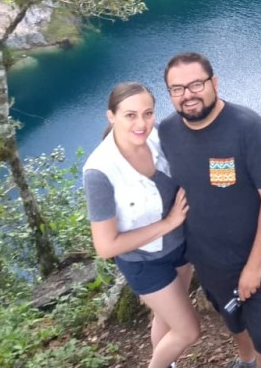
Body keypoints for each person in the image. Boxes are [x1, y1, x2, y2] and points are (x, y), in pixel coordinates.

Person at [157, 52, 261, 368]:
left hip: (259, 257)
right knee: (232, 318)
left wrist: (254, 266)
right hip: (208, 257)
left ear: (214, 83)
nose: (188, 95)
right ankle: (245, 362)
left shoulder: (248, 128)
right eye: (177, 89)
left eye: (195, 84)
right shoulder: (167, 132)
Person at [83, 82, 200, 368]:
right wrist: (168, 223)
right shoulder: (99, 171)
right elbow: (105, 245)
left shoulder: (157, 137)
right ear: (111, 116)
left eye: (148, 113)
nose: (142, 123)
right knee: (188, 331)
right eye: (130, 115)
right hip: (144, 261)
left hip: (180, 247)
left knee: (167, 317)